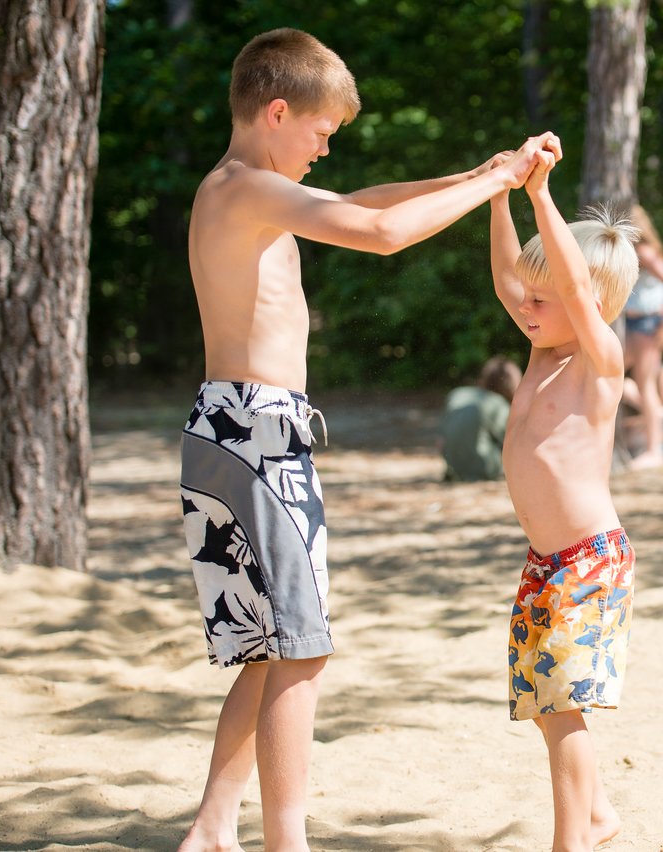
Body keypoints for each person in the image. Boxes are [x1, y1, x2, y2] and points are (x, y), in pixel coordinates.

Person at [177, 28, 559, 851]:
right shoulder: (247, 190)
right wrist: (491, 182)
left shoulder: (238, 188)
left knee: (266, 648)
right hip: (257, 434)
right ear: (277, 111)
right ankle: (288, 841)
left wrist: (480, 177)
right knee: (301, 651)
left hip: (228, 429)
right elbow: (380, 234)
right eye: (320, 132)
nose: (324, 148)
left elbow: (366, 202)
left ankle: (212, 828)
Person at [490, 150, 640, 851]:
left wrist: (541, 195)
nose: (526, 305)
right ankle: (600, 814)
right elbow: (509, 280)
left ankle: (570, 842)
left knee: (563, 706)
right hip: (546, 564)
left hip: (586, 563)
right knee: (549, 706)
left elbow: (573, 289)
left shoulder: (595, 360)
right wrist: (498, 198)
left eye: (540, 298)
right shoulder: (541, 354)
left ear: (594, 308)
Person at [621, 203, 663, 469]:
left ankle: (654, 450)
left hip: (647, 325)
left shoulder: (644, 251)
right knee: (612, 374)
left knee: (645, 384)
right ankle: (655, 412)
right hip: (634, 325)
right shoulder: (633, 251)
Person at [440, 355, 522, 481]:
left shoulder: (457, 393)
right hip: (485, 467)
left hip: (453, 467)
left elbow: (443, 437)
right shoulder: (498, 404)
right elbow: (511, 442)